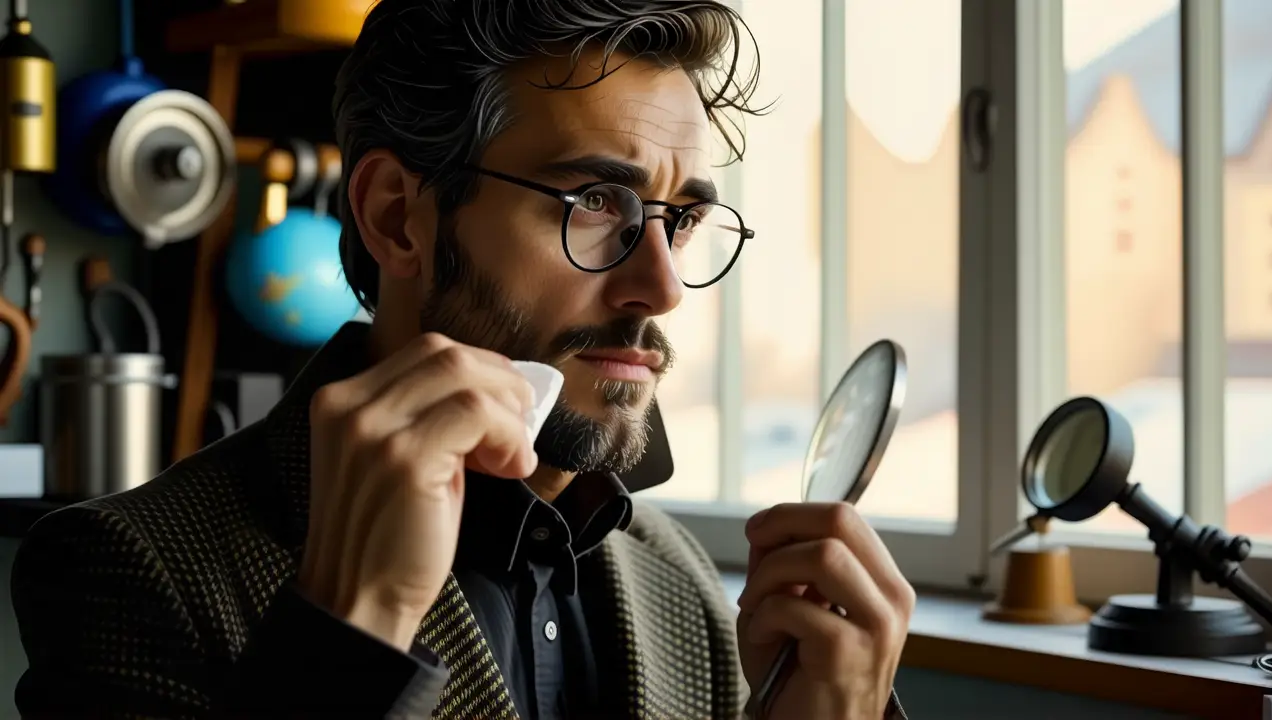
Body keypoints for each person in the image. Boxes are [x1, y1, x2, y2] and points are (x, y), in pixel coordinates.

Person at [10, 1, 915, 718]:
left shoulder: (681, 585)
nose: (665, 285)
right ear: (398, 215)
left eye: (679, 220)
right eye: (598, 200)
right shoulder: (127, 571)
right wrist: (346, 631)